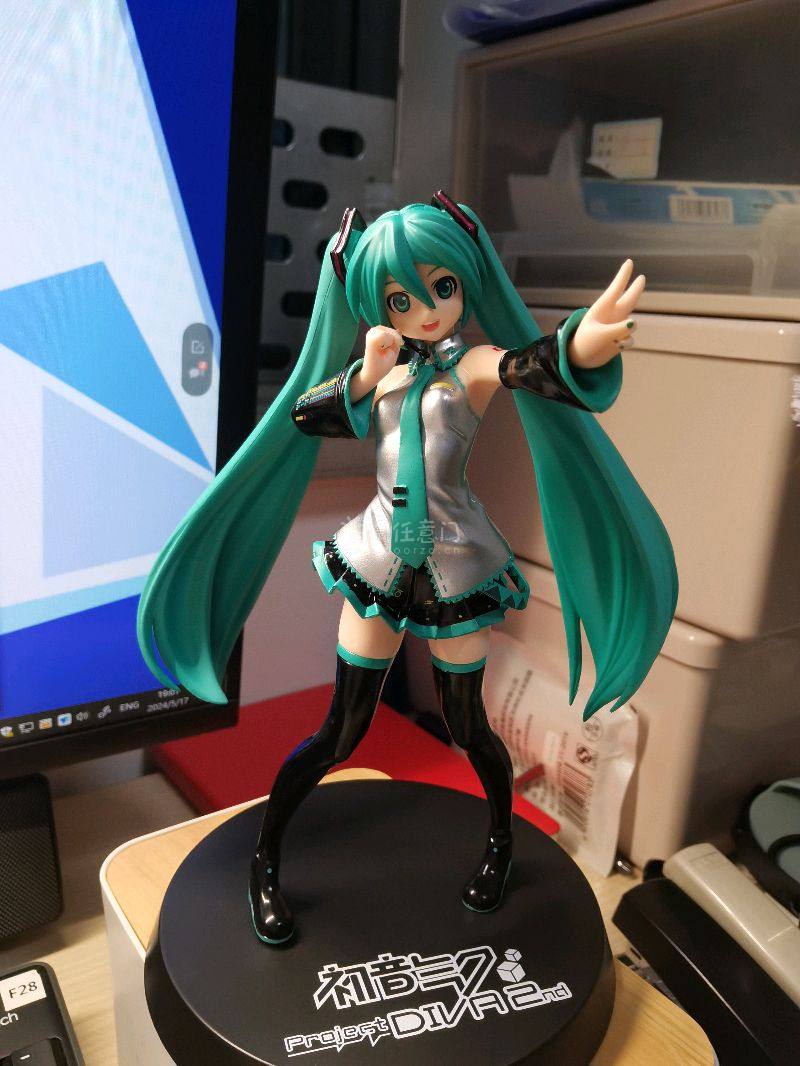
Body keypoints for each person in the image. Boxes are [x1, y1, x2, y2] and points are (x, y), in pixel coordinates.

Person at [137, 192, 678, 945]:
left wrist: (579, 346)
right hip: (379, 563)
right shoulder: (382, 374)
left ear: (465, 284)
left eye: (441, 288)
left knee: (469, 727)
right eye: (401, 298)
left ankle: (499, 842)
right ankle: (267, 857)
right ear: (376, 304)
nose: (425, 310)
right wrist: (365, 375)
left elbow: (530, 366)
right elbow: (305, 415)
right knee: (340, 731)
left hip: (457, 570)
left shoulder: (471, 369)